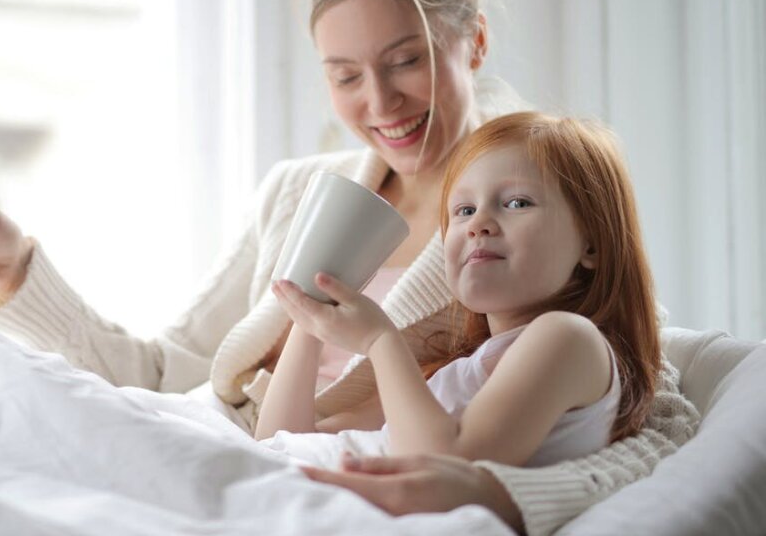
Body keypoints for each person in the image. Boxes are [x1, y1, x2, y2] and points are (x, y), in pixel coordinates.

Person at [0, 0, 699, 536]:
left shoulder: (541, 209)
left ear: (471, 40)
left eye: (405, 61)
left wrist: (500, 495)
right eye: (344, 76)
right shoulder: (296, 193)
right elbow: (166, 373)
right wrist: (18, 276)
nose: (378, 103)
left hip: (340, 488)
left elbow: (650, 413)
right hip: (239, 449)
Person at [259, 113, 659, 474]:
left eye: (517, 202)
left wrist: (380, 340)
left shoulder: (569, 338)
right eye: (463, 210)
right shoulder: (456, 372)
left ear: (592, 244)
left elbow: (449, 462)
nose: (478, 224)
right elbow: (283, 442)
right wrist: (309, 318)